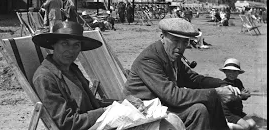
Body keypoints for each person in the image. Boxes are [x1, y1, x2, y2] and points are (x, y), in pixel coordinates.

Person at [31, 21, 181, 130]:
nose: (71, 50)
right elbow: (67, 123)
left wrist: (123, 103)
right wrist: (109, 110)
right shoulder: (45, 77)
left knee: (171, 119)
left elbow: (92, 105)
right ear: (53, 45)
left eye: (76, 45)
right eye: (65, 43)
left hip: (98, 124)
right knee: (167, 126)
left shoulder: (71, 69)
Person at [123, 18, 241, 130]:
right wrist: (215, 93)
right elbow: (173, 96)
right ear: (162, 37)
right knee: (199, 109)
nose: (180, 47)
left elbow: (194, 79)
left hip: (160, 105)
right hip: (143, 109)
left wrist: (222, 84)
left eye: (185, 42)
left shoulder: (171, 56)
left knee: (209, 101)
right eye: (175, 41)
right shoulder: (150, 59)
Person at [219, 58, 257, 130]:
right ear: (225, 72)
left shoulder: (238, 82)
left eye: (234, 72)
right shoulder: (223, 84)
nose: (232, 74)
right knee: (246, 127)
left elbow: (244, 96)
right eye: (229, 71)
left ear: (238, 73)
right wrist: (241, 96)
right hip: (228, 113)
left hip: (238, 112)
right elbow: (227, 100)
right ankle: (229, 126)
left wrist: (246, 94)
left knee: (253, 124)